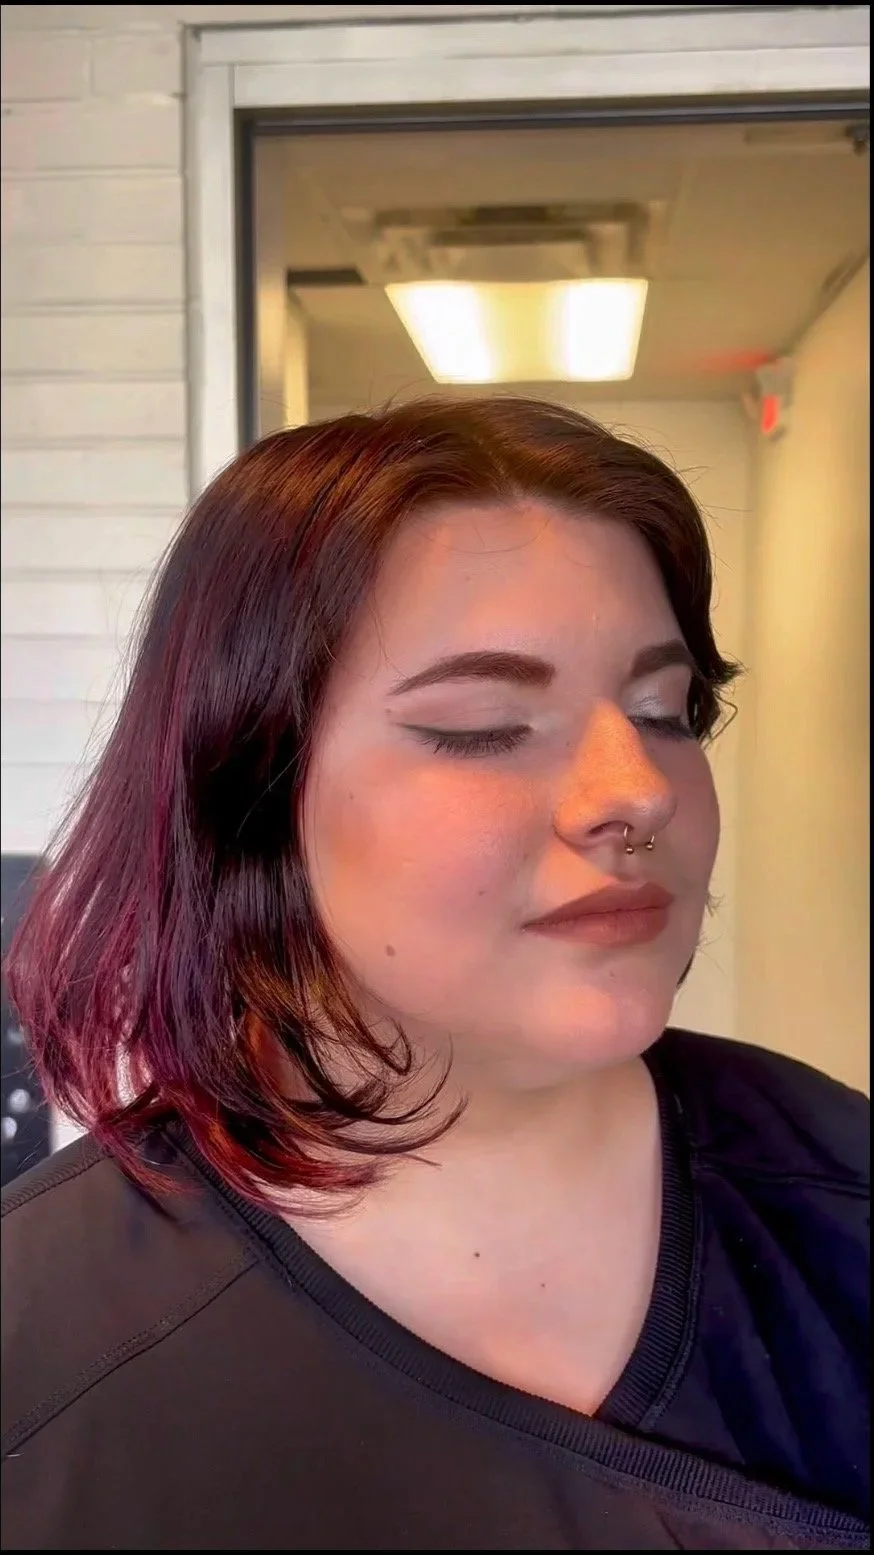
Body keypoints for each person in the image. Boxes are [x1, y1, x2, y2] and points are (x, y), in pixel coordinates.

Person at [1, 398, 868, 1553]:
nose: (639, 789)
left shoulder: (840, 1197)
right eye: (483, 725)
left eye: (668, 712)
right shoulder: (42, 1355)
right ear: (249, 785)